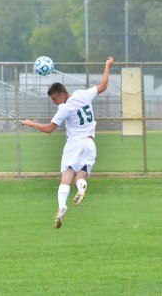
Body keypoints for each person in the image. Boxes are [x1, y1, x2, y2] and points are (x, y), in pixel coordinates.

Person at [21, 56, 114, 229]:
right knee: (81, 174)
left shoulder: (65, 108)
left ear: (62, 95)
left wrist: (30, 123)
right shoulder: (83, 95)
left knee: (66, 177)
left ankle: (62, 206)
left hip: (74, 143)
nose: (55, 103)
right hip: (90, 143)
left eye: (55, 100)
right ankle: (81, 186)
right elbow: (103, 86)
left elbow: (49, 129)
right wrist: (107, 65)